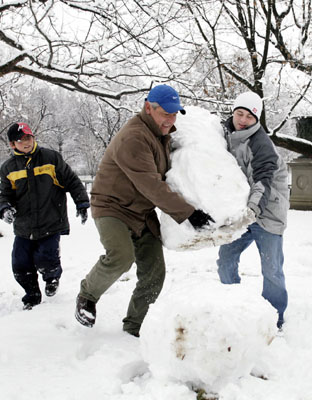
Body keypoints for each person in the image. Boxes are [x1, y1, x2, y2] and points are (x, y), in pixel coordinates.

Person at [75, 84, 214, 336]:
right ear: (148, 108)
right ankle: (87, 295)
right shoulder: (135, 137)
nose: (170, 120)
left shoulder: (162, 134)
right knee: (121, 256)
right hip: (112, 206)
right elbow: (151, 185)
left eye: (174, 115)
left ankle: (135, 325)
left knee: (154, 272)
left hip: (142, 211)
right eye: (165, 114)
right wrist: (189, 213)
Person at [216, 92, 289, 329]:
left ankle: (273, 319)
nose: (243, 120)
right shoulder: (223, 135)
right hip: (241, 211)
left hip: (267, 212)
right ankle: (235, 307)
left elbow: (263, 181)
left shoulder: (261, 144)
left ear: (256, 120)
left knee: (272, 269)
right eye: (240, 113)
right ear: (233, 113)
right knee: (225, 260)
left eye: (250, 116)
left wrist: (253, 209)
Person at [0, 122, 90, 309]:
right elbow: (4, 194)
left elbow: (71, 180)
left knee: (46, 259)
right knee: (20, 264)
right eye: (21, 140)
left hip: (51, 221)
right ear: (12, 144)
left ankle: (52, 279)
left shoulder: (50, 158)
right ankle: (32, 295)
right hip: (24, 225)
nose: (26, 142)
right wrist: (5, 208)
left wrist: (81, 202)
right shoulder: (8, 168)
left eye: (29, 138)